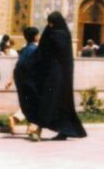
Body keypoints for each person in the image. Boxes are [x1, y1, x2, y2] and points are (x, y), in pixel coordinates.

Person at [20, 12, 87, 142]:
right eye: (49, 22)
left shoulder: (55, 34)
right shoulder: (62, 33)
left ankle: (40, 130)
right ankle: (63, 131)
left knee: (49, 101)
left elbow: (45, 50)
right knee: (57, 102)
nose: (50, 25)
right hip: (57, 74)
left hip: (55, 75)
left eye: (52, 22)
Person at [9, 26, 41, 137]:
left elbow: (18, 66)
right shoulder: (36, 50)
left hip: (21, 80)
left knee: (27, 104)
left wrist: (11, 79)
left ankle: (23, 123)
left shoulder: (23, 49)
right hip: (32, 80)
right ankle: (31, 126)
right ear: (36, 36)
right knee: (36, 103)